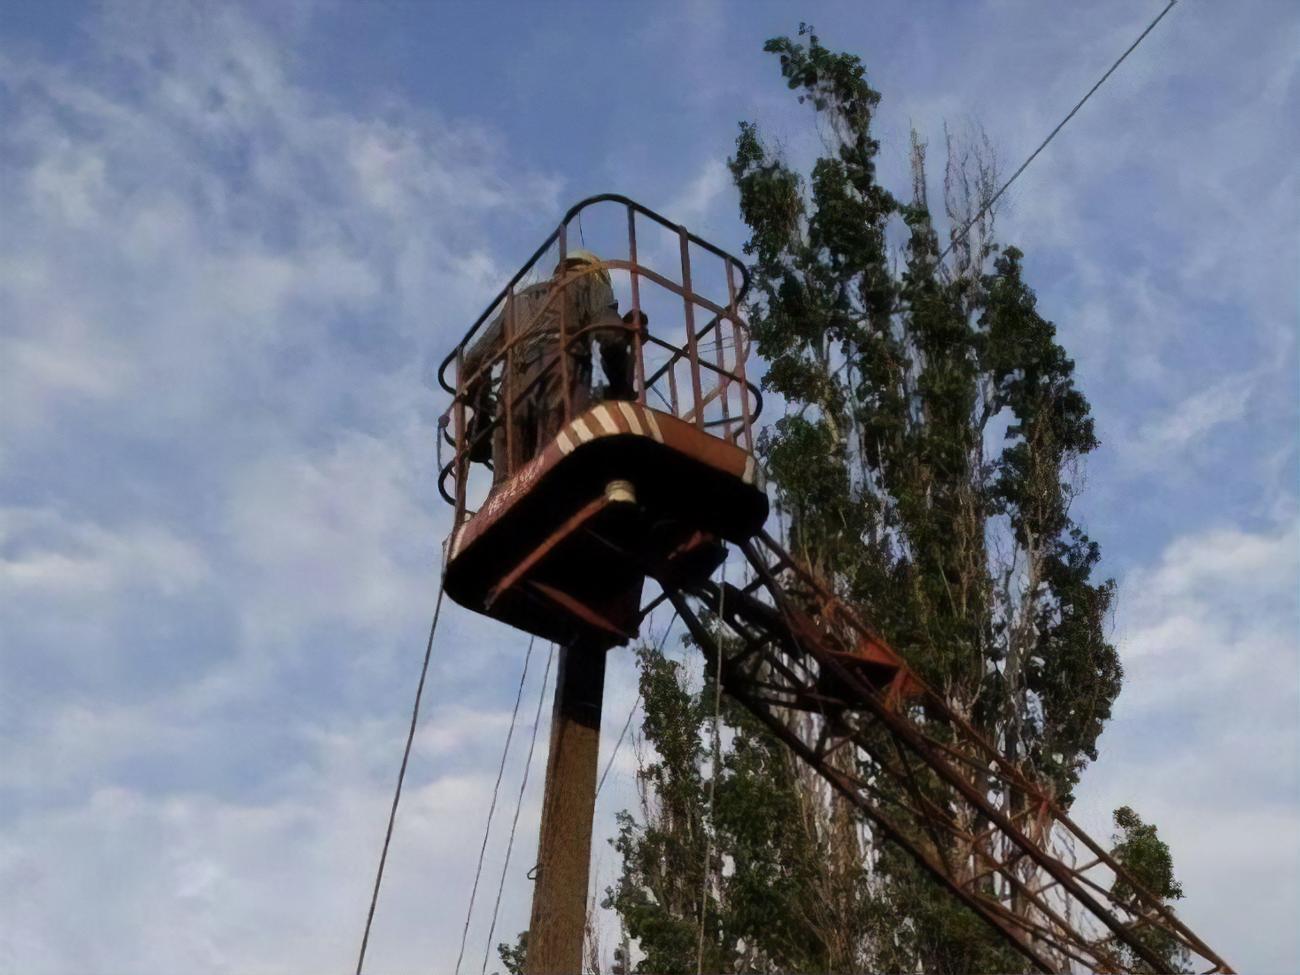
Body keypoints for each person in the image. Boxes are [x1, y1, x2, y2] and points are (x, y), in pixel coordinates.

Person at [461, 249, 639, 483]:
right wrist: (620, 389)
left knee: (506, 488)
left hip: (512, 395)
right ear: (597, 274)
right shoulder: (589, 283)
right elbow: (611, 336)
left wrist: (482, 412)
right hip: (561, 376)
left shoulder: (518, 300)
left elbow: (472, 361)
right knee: (561, 468)